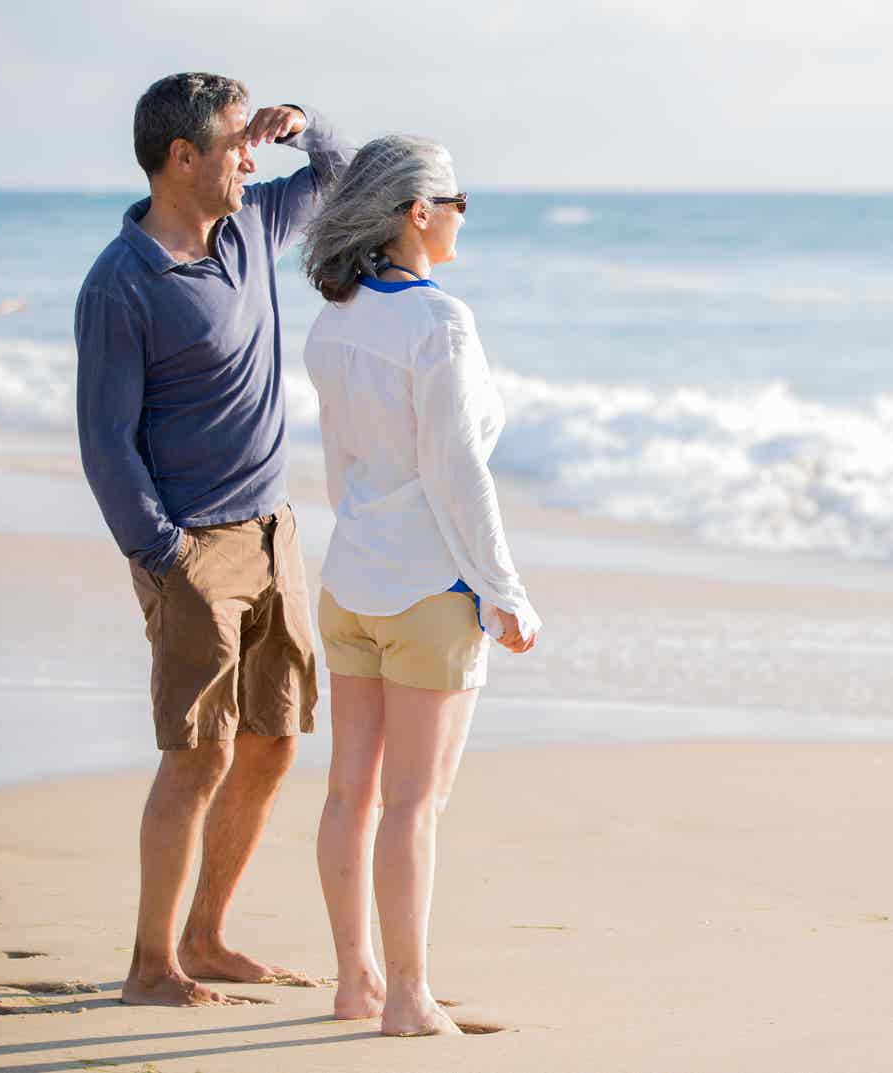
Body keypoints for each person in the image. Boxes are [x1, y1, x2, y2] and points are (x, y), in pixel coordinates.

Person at [74, 73, 353, 1007]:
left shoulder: (249, 228)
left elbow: (340, 178)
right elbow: (105, 443)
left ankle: (209, 933)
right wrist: (164, 557)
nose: (249, 154)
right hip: (191, 547)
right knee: (199, 754)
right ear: (179, 157)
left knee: (272, 741)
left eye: (251, 140)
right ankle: (152, 965)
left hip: (275, 532)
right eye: (234, 141)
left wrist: (303, 121)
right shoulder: (121, 283)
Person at [301, 135, 541, 1037]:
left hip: (352, 575)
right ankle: (406, 997)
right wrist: (504, 587)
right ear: (418, 211)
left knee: (348, 795)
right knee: (413, 803)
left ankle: (355, 980)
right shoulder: (440, 321)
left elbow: (339, 462)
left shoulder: (337, 316)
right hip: (428, 589)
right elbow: (456, 471)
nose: (462, 215)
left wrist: (365, 533)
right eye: (457, 199)